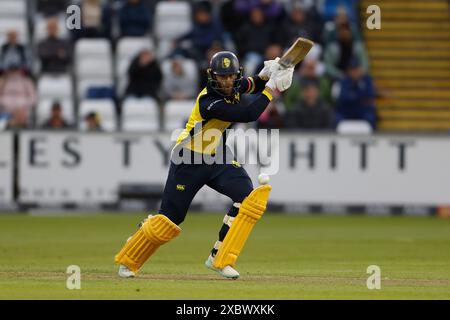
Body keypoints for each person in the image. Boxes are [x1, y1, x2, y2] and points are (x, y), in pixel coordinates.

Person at [114, 51, 294, 279]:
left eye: (231, 76)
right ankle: (130, 259)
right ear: (213, 76)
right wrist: (272, 89)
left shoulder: (233, 86)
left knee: (247, 199)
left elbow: (253, 85)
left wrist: (267, 75)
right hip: (188, 159)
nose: (227, 81)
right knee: (170, 220)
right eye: (222, 76)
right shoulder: (209, 101)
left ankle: (220, 258)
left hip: (217, 157)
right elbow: (249, 113)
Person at [335, 58, 377, 130]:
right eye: (352, 69)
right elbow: (343, 98)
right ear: (349, 71)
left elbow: (370, 96)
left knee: (371, 117)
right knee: (336, 118)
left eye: (356, 69)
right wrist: (360, 97)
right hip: (347, 111)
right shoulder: (343, 81)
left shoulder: (367, 80)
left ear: (360, 69)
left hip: (362, 111)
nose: (354, 72)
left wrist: (353, 96)